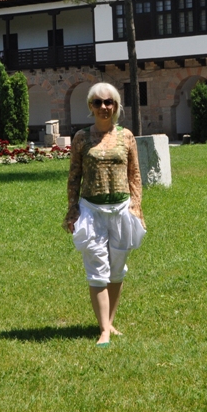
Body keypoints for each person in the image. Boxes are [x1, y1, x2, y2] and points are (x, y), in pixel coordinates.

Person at [63, 82, 146, 347]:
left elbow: (135, 174)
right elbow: (74, 176)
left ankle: (109, 323)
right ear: (90, 106)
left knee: (117, 269)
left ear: (116, 105)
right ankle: (104, 331)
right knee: (97, 268)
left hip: (121, 209)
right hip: (92, 210)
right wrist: (72, 209)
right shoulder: (81, 138)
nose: (103, 107)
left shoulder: (127, 136)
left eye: (108, 102)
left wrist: (137, 207)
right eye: (98, 102)